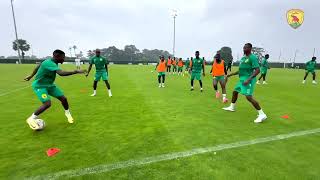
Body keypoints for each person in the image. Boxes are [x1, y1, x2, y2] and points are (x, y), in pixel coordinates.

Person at [24, 50, 86, 129]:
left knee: (63, 99)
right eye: (63, 58)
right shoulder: (49, 63)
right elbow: (61, 73)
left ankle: (67, 113)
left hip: (50, 85)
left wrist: (30, 76)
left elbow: (38, 66)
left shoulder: (50, 62)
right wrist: (75, 71)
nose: (64, 59)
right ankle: (31, 118)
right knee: (47, 103)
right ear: (57, 57)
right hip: (40, 86)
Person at [223, 43, 267, 123]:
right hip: (242, 80)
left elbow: (257, 70)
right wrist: (229, 75)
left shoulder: (253, 58)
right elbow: (240, 70)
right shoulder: (243, 58)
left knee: (248, 97)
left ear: (250, 49)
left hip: (248, 80)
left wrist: (249, 79)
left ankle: (262, 114)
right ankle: (232, 107)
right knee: (235, 92)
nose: (244, 49)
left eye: (246, 48)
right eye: (243, 47)